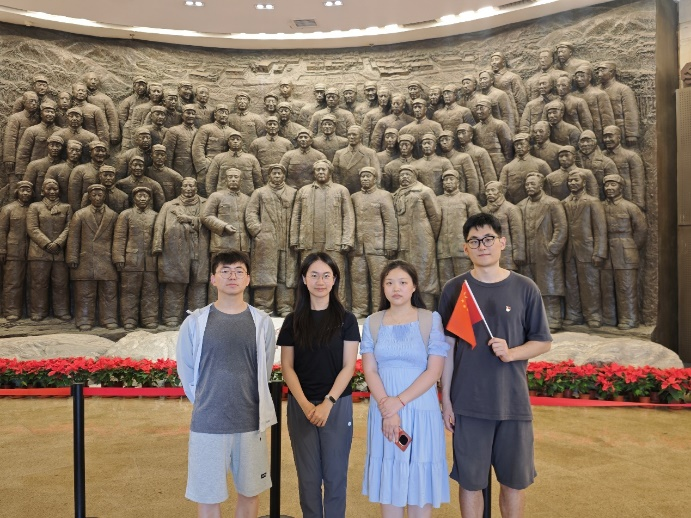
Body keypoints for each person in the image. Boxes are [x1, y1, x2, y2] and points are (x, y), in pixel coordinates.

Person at [438, 212, 552, 518]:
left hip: (512, 403)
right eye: (474, 241)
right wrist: (446, 400)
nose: (482, 246)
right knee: (470, 482)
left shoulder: (525, 288)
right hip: (468, 403)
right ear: (466, 248)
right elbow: (446, 349)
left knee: (513, 483)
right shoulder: (455, 289)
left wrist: (511, 353)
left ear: (502, 242)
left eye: (488, 239)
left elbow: (543, 341)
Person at [177, 250, 277, 518]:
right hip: (208, 424)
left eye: (238, 271)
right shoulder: (195, 322)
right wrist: (207, 402)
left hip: (250, 422)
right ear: (213, 279)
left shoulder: (262, 323)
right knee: (207, 496)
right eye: (225, 271)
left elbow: (264, 369)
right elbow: (187, 372)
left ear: (248, 279)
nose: (232, 276)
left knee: (250, 493)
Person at [360, 260, 450, 516]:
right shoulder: (373, 322)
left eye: (402, 282)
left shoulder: (430, 319)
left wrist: (398, 402)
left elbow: (434, 371)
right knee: (390, 479)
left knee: (420, 478)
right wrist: (388, 409)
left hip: (421, 409)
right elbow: (370, 370)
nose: (396, 288)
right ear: (383, 288)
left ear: (414, 287)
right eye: (389, 283)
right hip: (384, 410)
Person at [277, 252, 360, 518]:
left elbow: (349, 366)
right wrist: (305, 405)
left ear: (334, 280)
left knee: (335, 477)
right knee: (308, 479)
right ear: (304, 279)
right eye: (314, 275)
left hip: (337, 406)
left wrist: (328, 403)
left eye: (326, 275)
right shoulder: (292, 321)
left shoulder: (347, 320)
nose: (320, 281)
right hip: (301, 407)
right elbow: (287, 366)